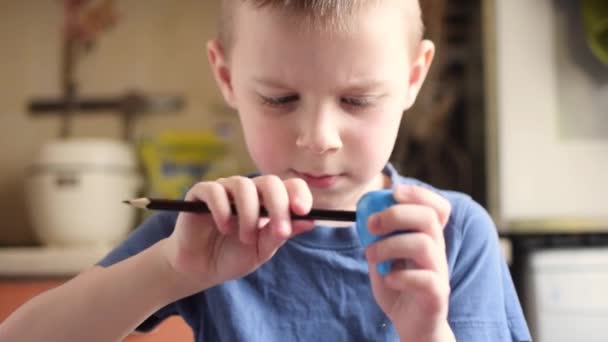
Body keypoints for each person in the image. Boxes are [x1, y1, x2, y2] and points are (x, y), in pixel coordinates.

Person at [0, 0, 531, 341]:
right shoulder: (205, 228)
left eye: (357, 99)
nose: (319, 139)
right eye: (279, 99)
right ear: (227, 78)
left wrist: (427, 332)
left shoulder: (454, 234)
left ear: (414, 78)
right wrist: (171, 271)